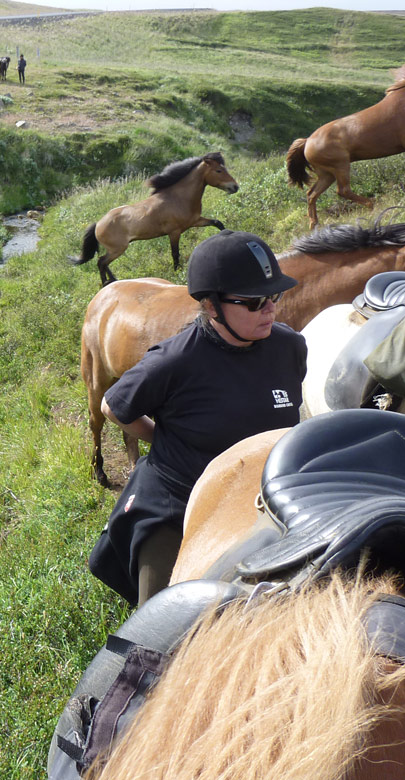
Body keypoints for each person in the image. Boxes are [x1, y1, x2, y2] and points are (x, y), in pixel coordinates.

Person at [88, 230, 307, 607]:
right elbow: (113, 405)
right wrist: (161, 439)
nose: (270, 309)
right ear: (210, 305)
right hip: (179, 499)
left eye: (274, 296)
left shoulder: (289, 346)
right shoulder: (174, 360)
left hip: (263, 495)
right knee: (157, 629)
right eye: (254, 302)